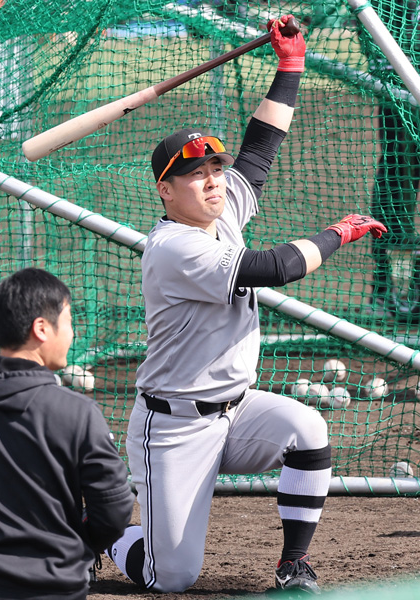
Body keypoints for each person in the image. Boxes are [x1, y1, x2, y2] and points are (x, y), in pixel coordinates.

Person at [105, 15, 387, 595]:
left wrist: (290, 65)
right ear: (165, 190)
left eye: (215, 168)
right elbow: (275, 267)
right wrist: (340, 232)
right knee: (171, 577)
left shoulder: (221, 209)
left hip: (236, 412)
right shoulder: (174, 247)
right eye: (194, 174)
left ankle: (293, 565)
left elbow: (259, 150)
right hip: (174, 427)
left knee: (307, 427)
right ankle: (97, 527)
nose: (213, 180)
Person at [0, 268, 135, 600]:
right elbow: (113, 512)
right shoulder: (78, 413)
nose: (72, 333)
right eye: (68, 321)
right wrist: (77, 546)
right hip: (54, 585)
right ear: (41, 328)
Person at [357, 0, 420, 317]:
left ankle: (400, 289)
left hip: (402, 87)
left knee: (398, 177)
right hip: (401, 89)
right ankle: (389, 288)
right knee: (397, 179)